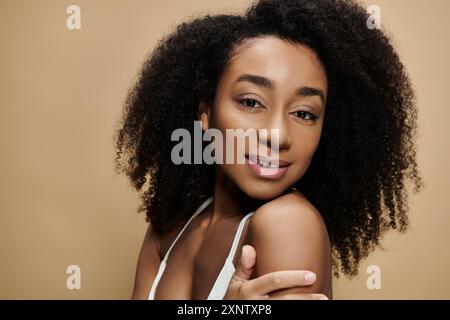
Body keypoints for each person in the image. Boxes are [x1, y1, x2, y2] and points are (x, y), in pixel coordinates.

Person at [114, 0, 423, 300]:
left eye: (304, 113)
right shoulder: (171, 225)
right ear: (206, 113)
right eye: (251, 102)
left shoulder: (286, 223)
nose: (277, 135)